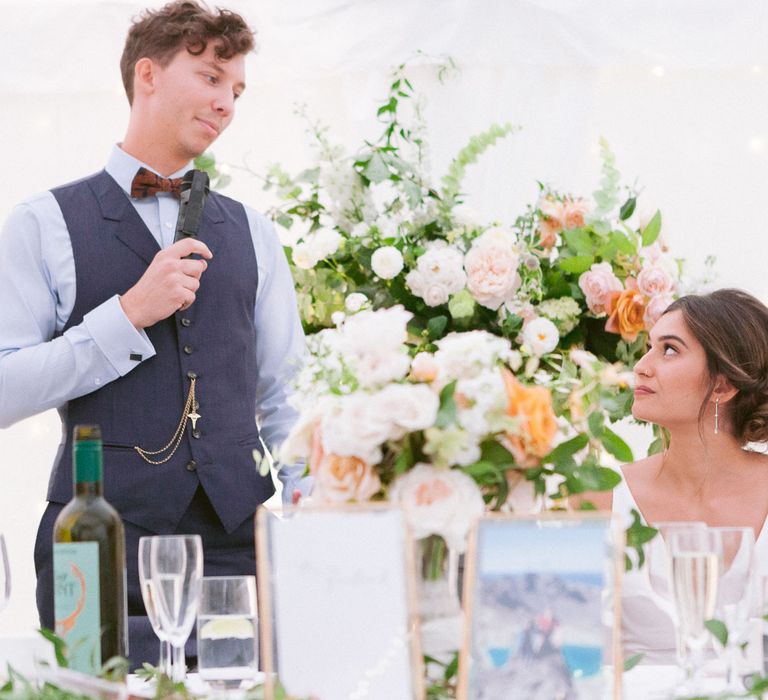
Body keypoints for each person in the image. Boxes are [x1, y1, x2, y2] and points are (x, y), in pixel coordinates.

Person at [0, 1, 306, 666]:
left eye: (238, 89)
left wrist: (319, 511)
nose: (226, 101)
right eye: (210, 77)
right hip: (96, 542)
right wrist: (126, 315)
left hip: (237, 545)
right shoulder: (41, 223)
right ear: (148, 75)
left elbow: (286, 395)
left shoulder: (254, 232)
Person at [583, 288, 768, 663]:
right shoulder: (600, 497)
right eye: (648, 347)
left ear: (723, 385)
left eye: (669, 349)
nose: (641, 366)